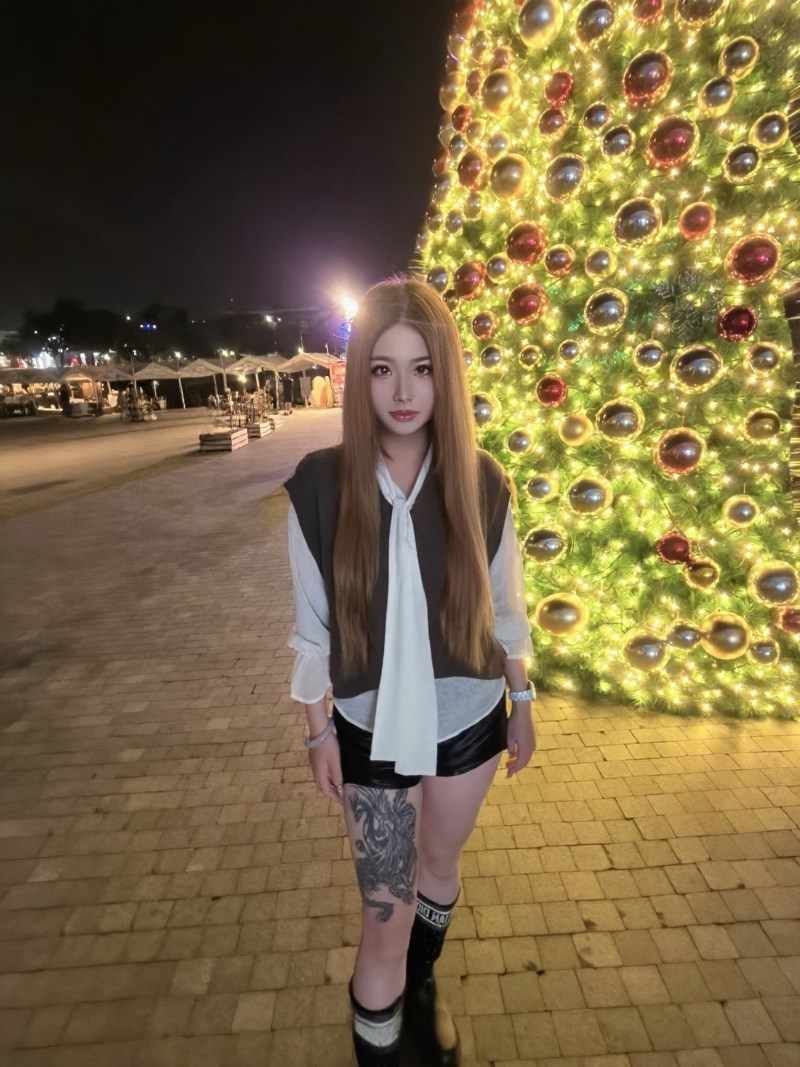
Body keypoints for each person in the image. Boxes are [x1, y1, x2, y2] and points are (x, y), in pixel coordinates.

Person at [285, 278, 536, 1067]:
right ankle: (384, 1037)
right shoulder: (320, 485)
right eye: (383, 369)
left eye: (422, 369)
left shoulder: (480, 478)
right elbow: (310, 627)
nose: (403, 392)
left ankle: (422, 987)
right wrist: (317, 731)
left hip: (469, 718)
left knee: (440, 866)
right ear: (359, 377)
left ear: (445, 376)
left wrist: (523, 698)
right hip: (369, 730)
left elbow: (505, 606)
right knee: (383, 919)